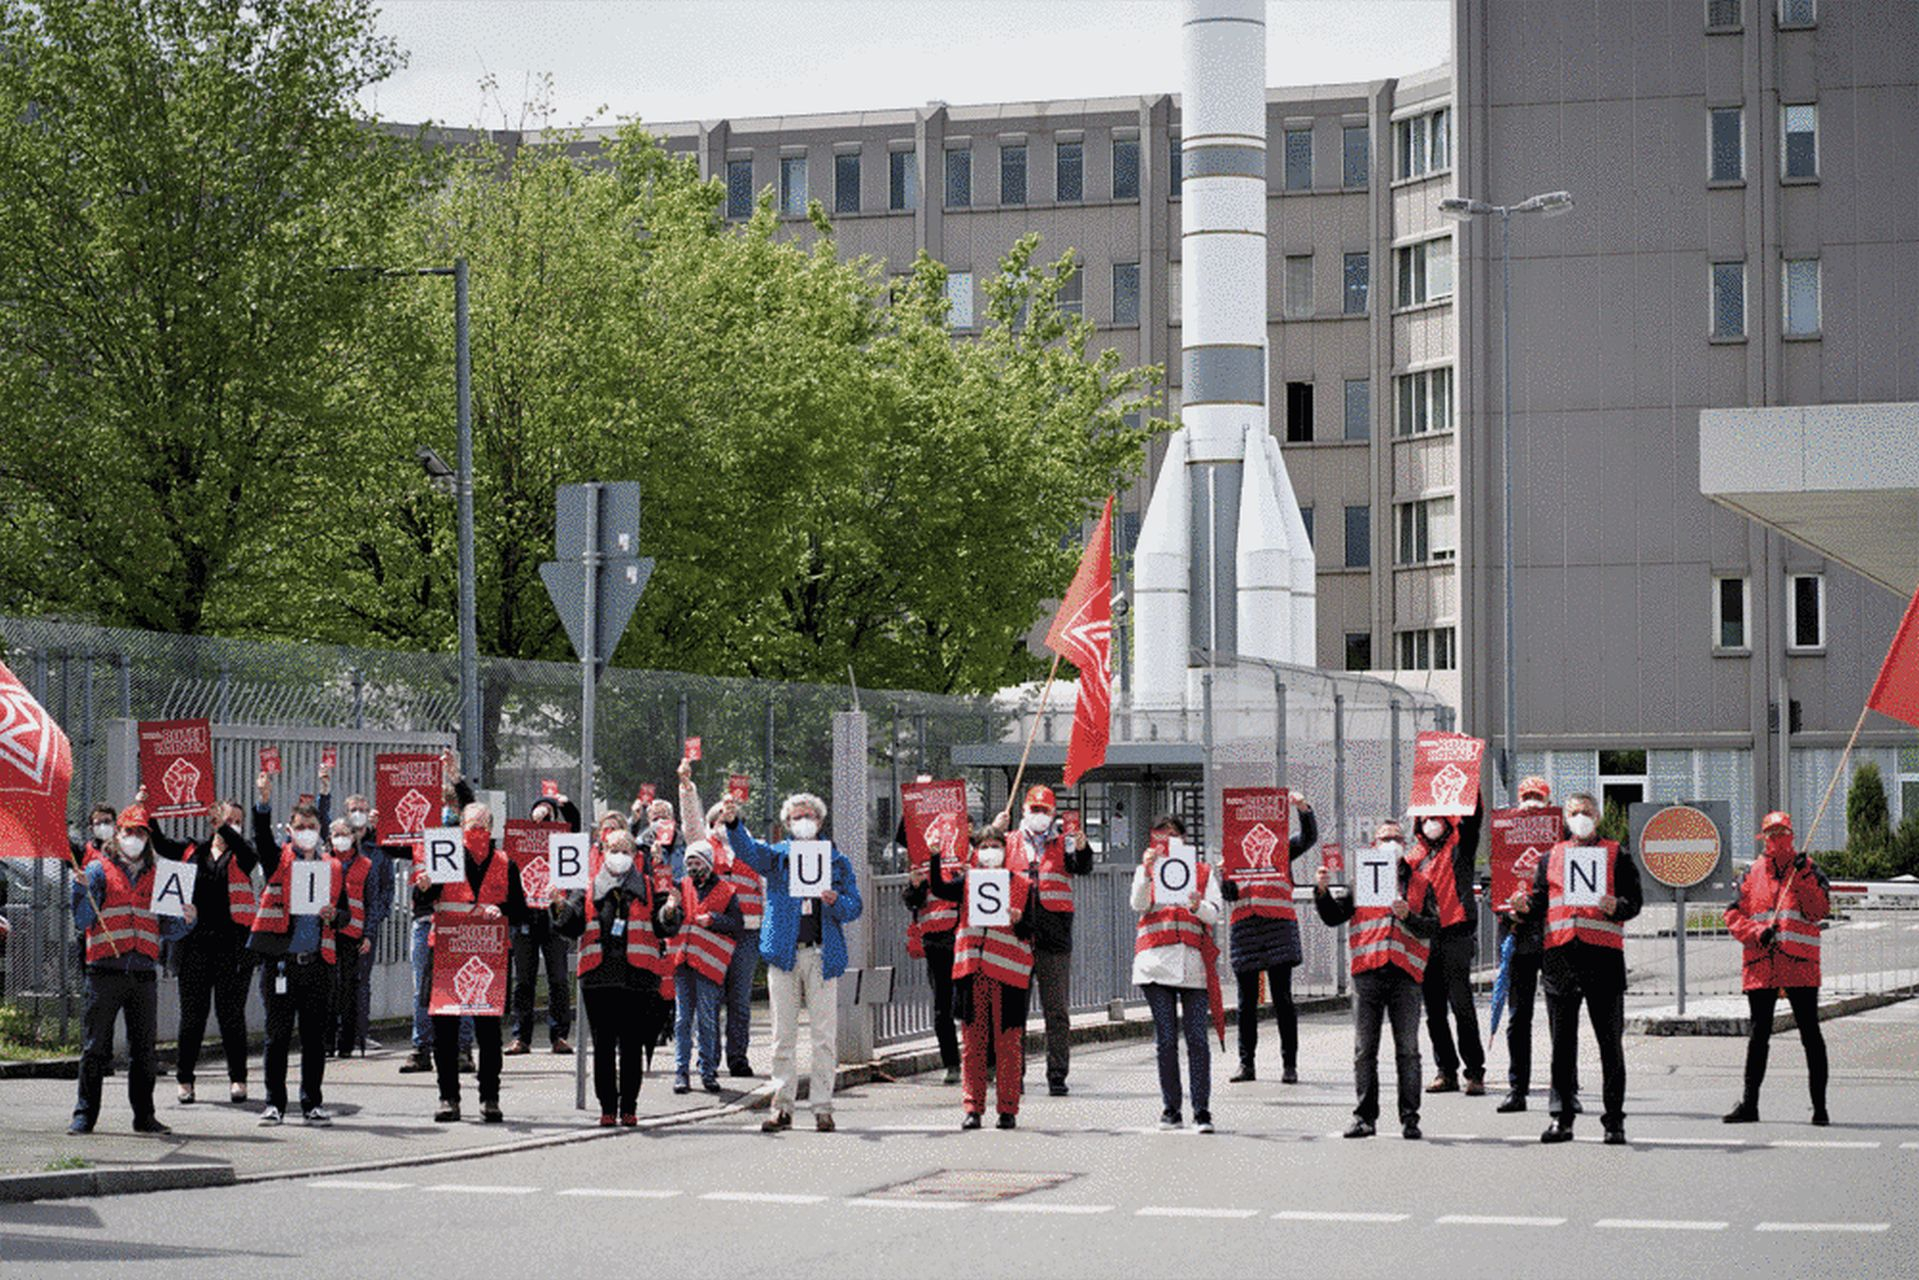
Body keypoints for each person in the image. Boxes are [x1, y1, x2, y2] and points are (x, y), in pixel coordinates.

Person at [724, 791, 864, 1133]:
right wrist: (733, 823)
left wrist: (834, 902)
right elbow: (748, 852)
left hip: (821, 954)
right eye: (796, 817)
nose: (803, 822)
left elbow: (854, 906)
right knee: (782, 1035)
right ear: (787, 824)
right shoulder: (777, 858)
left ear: (819, 821)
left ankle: (822, 1107)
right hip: (784, 955)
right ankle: (781, 1105)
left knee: (823, 1037)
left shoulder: (836, 861)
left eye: (809, 816)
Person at [1511, 791, 1642, 1146]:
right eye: (1573, 812)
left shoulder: (1616, 854)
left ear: (1596, 817)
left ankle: (1614, 1121)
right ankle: (1561, 1118)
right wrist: (1522, 907)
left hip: (1603, 959)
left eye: (1585, 811)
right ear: (1565, 819)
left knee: (1609, 1045)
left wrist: (1618, 905)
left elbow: (1635, 902)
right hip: (1560, 959)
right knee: (1561, 1046)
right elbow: (1539, 903)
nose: (1580, 817)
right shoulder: (1551, 857)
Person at [68, 805, 196, 1135]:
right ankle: (84, 1116)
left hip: (142, 975)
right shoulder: (98, 870)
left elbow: (170, 929)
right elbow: (82, 921)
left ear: (148, 838)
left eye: (140, 833)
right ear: (117, 834)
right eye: (128, 832)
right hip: (104, 971)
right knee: (95, 1047)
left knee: (143, 1051)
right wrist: (78, 890)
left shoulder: (161, 875)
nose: (134, 838)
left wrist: (188, 918)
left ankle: (144, 1117)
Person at [1313, 819, 1438, 1140]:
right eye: (1385, 838)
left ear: (1405, 844)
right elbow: (1334, 917)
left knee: (1408, 1051)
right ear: (1375, 844)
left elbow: (1433, 927)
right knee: (1364, 1050)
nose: (1391, 842)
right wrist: (1322, 893)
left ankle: (1410, 1118)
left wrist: (1408, 915)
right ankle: (1364, 1117)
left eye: (1396, 837)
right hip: (1367, 973)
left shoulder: (1421, 883)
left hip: (1405, 975)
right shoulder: (1361, 881)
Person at [551, 829, 680, 1124]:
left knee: (632, 1045)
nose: (619, 854)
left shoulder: (648, 886)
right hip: (598, 977)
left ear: (635, 854)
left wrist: (671, 911)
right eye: (613, 848)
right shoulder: (587, 886)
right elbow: (571, 924)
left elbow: (663, 924)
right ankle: (607, 1107)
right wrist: (558, 907)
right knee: (604, 1045)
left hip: (638, 976)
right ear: (604, 851)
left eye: (625, 849)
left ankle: (629, 1107)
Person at [412, 799, 528, 1123]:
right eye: (471, 825)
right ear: (461, 827)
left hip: (488, 955)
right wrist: (423, 887)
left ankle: (490, 1098)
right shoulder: (447, 855)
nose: (476, 831)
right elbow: (424, 899)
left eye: (482, 825)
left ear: (491, 830)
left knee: (489, 1033)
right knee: (444, 1031)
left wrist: (501, 911)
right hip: (448, 951)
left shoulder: (506, 863)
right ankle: (448, 1097)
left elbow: (520, 910)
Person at [249, 773, 347, 1126]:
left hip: (317, 965)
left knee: (314, 1038)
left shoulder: (332, 867)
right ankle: (274, 1103)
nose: (306, 831)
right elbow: (260, 839)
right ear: (290, 831)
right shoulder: (279, 861)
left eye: (311, 826)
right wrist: (263, 801)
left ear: (319, 831)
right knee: (276, 1036)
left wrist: (333, 915)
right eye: (300, 826)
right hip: (281, 964)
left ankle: (312, 1103)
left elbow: (346, 913)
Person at [1723, 811, 1830, 1126]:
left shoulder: (1809, 870)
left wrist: (1804, 879)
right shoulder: (1750, 873)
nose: (1776, 838)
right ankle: (1750, 1105)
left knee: (1811, 1034)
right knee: (1759, 1036)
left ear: (1792, 834)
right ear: (1763, 838)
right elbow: (1732, 915)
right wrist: (1756, 933)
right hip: (1762, 964)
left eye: (1781, 832)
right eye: (1771, 833)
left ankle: (1820, 1108)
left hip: (1799, 963)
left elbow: (1818, 911)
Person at [147, 796, 256, 1105]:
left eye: (236, 820)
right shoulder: (192, 849)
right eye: (225, 819)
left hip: (232, 948)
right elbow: (162, 845)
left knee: (231, 1015)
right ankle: (185, 1080)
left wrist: (227, 826)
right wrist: (149, 812)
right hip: (194, 946)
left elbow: (249, 855)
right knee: (192, 1016)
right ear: (211, 822)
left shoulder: (243, 854)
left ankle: (238, 1078)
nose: (230, 825)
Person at [925, 827, 1032, 1129]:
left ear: (1005, 850)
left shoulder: (1022, 885)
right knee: (973, 1043)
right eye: (984, 846)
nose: (989, 851)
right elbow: (940, 889)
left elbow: (1033, 930)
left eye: (995, 845)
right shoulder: (968, 882)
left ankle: (1008, 1108)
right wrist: (934, 856)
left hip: (1009, 975)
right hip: (973, 972)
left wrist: (1019, 919)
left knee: (1008, 1043)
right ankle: (973, 1108)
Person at [993, 785, 1091, 1097]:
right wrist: (993, 832)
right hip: (1016, 936)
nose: (1038, 816)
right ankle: (1012, 1075)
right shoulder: (1007, 842)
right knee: (1013, 1011)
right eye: (1033, 810)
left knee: (1057, 1011)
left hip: (1054, 937)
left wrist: (1083, 847)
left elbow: (1082, 867)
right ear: (1023, 811)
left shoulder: (1064, 843)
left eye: (1044, 811)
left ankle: (1057, 1074)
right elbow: (982, 866)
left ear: (1052, 814)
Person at [1131, 816, 1224, 1133]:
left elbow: (1215, 913)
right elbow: (1137, 903)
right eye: (1163, 835)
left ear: (1184, 839)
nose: (1168, 842)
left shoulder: (1201, 872)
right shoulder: (1148, 869)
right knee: (1166, 1040)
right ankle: (1171, 1109)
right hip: (1155, 964)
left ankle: (1202, 1110)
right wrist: (1145, 871)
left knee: (1197, 1039)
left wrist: (1198, 905)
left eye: (1174, 836)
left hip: (1192, 966)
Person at [1493, 776, 1579, 1115]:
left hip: (1553, 938)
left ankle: (1566, 1090)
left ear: (1548, 800)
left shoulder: (1564, 837)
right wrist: (1506, 907)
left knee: (1561, 1017)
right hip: (1516, 936)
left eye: (1537, 797)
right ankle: (1517, 1089)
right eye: (1526, 796)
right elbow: (1497, 884)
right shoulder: (1505, 831)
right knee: (1518, 1017)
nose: (1531, 802)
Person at [1222, 792, 1318, 1084]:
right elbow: (1229, 896)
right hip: (1246, 929)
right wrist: (1224, 878)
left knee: (1282, 999)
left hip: (1278, 927)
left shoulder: (1282, 851)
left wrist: (1303, 808)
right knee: (1246, 1002)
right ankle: (1246, 1063)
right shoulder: (1232, 857)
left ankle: (1289, 1065)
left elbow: (1308, 838)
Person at [679, 763, 762, 1078]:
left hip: (747, 933)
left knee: (740, 1001)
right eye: (719, 819)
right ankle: (708, 1060)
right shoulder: (705, 847)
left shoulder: (750, 849)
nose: (724, 824)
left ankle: (738, 1058)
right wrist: (687, 786)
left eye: (730, 819)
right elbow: (689, 823)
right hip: (712, 934)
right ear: (712, 823)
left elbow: (764, 889)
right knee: (708, 1000)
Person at [1405, 798, 1487, 1096]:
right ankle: (1446, 1070)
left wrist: (1469, 786)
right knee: (1434, 1010)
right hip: (1426, 937)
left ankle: (1475, 1071)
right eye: (1425, 818)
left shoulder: (1460, 846)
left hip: (1456, 933)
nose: (1431, 822)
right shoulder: (1413, 858)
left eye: (1437, 816)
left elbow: (1474, 818)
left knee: (1461, 1004)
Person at [401, 756, 474, 1075]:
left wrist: (456, 779)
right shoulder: (421, 841)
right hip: (426, 919)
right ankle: (421, 1048)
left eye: (452, 806)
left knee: (462, 986)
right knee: (423, 987)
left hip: (459, 919)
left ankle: (462, 1049)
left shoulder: (471, 842)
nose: (448, 810)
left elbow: (472, 805)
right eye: (443, 804)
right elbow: (390, 842)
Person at [669, 834, 743, 1094]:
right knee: (682, 1020)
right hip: (684, 962)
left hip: (710, 965)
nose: (692, 868)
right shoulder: (680, 887)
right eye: (689, 862)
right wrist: (669, 910)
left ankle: (708, 1071)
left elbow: (737, 926)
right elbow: (671, 920)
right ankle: (681, 1073)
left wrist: (713, 919)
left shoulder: (726, 891)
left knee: (707, 1020)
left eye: (697, 863)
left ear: (708, 864)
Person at [506, 794, 576, 1057]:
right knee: (524, 981)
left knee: (558, 979)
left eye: (548, 814)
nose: (543, 817)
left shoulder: (563, 838)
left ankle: (559, 1036)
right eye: (539, 812)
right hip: (525, 918)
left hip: (554, 919)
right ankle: (520, 1037)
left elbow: (574, 823)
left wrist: (560, 805)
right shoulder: (520, 839)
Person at [328, 782, 393, 1055]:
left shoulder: (377, 848)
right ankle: (334, 1037)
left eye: (362, 810)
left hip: (364, 926)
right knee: (333, 982)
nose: (358, 814)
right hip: (333, 928)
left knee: (359, 982)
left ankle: (359, 1035)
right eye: (353, 810)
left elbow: (385, 888)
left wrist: (374, 921)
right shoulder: (333, 848)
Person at [902, 824, 962, 1087]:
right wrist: (915, 887)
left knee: (972, 1003)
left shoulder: (965, 859)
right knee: (943, 1007)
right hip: (936, 942)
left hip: (965, 938)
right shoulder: (921, 863)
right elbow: (912, 901)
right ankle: (952, 1064)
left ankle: (985, 1061)